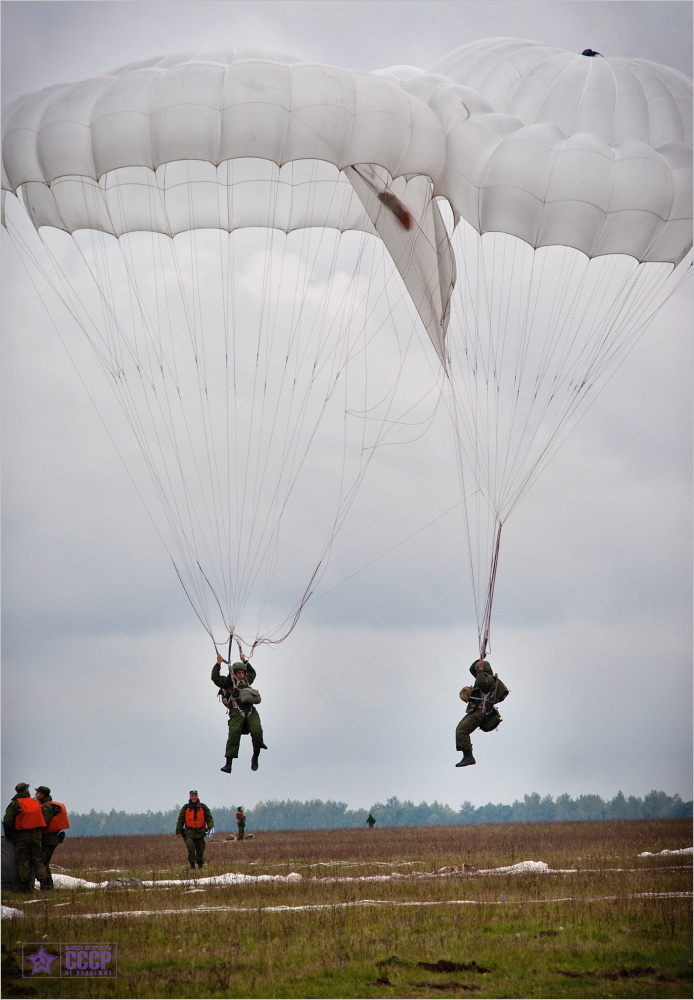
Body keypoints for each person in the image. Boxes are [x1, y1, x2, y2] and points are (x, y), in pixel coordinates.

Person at [211, 652, 267, 773]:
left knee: (257, 731)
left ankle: (256, 755)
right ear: (235, 673)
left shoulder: (247, 680)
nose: (241, 675)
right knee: (233, 735)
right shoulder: (228, 682)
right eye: (239, 673)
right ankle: (228, 763)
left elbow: (253, 673)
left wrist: (245, 661)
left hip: (251, 710)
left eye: (242, 673)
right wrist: (218, 663)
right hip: (237, 711)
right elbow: (215, 678)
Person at [2, 782, 50, 892]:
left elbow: (7, 822)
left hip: (22, 837)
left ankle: (25, 888)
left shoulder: (15, 804)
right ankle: (44, 885)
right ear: (27, 790)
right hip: (36, 836)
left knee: (23, 861)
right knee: (38, 861)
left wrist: (10, 835)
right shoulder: (36, 802)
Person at [455, 659, 497, 767]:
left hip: (480, 712)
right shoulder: (481, 677)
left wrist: (480, 670)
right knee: (459, 729)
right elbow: (471, 669)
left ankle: (469, 756)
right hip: (476, 711)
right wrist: (480, 660)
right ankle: (466, 755)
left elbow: (481, 683)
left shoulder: (489, 681)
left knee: (462, 730)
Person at [35, 786, 69, 890]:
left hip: (48, 839)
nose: (35, 795)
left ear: (42, 795)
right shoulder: (47, 805)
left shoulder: (46, 807)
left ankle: (46, 887)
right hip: (51, 839)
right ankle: (49, 887)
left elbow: (44, 823)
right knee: (45, 863)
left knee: (40, 862)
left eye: (37, 793)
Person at [176, 790, 214, 869]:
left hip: (200, 832)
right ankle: (192, 865)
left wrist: (210, 827)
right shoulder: (185, 807)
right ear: (189, 796)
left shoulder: (203, 807)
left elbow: (209, 818)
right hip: (189, 832)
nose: (194, 797)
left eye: (195, 796)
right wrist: (178, 831)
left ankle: (200, 865)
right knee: (190, 847)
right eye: (192, 796)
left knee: (200, 850)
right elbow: (180, 820)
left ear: (197, 796)